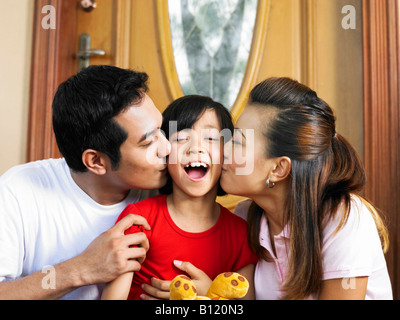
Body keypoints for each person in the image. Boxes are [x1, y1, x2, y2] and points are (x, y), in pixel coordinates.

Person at [0, 65, 171, 299]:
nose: (167, 148)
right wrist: (83, 268)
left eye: (162, 130)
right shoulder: (18, 191)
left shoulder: (169, 187)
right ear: (96, 161)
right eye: (148, 142)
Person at [221, 77, 392, 299]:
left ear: (279, 168)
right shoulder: (245, 217)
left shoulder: (344, 219)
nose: (223, 150)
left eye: (237, 142)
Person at [101, 95, 257, 300]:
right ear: (165, 150)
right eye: (181, 138)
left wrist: (209, 293)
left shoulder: (240, 233)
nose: (195, 148)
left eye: (210, 138)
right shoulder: (139, 219)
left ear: (226, 155)